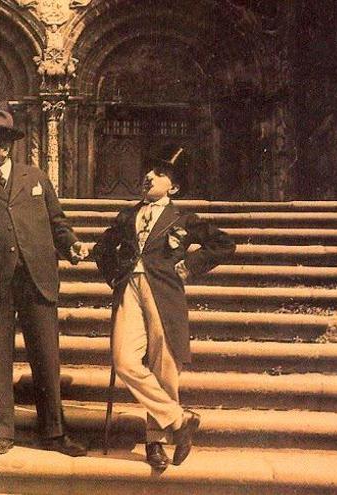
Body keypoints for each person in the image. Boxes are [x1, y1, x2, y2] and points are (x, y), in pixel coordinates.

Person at [0, 109, 90, 456]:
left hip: (37, 279)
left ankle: (54, 433)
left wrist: (71, 245)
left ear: (5, 147)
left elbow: (58, 223)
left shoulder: (35, 178)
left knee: (46, 357)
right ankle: (2, 430)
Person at [92, 146, 235, 470]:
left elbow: (224, 244)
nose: (149, 177)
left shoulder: (183, 218)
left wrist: (190, 264)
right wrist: (114, 275)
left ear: (174, 187)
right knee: (125, 360)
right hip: (129, 288)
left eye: (159, 174)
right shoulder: (127, 215)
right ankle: (179, 419)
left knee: (165, 366)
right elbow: (102, 248)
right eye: (148, 172)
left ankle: (155, 443)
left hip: (165, 294)